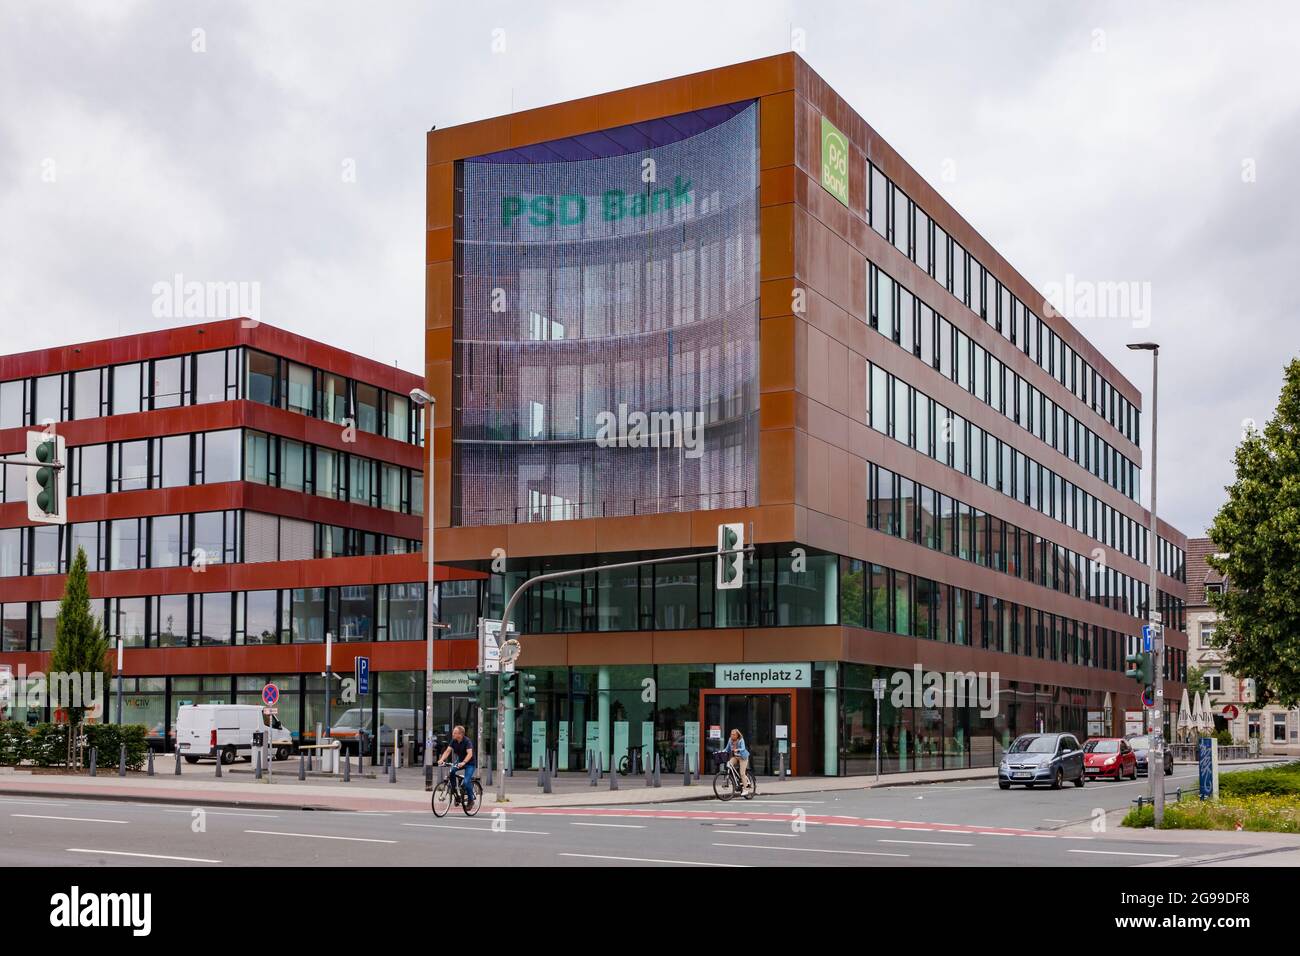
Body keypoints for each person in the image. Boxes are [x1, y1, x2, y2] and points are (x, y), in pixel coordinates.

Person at [437, 725, 476, 808]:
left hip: (469, 763)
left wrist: (464, 762)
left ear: (460, 734)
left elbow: (470, 754)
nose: (453, 734)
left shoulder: (467, 741)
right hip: (460, 761)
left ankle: (470, 800)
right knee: (452, 771)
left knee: (466, 782)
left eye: (455, 733)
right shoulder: (453, 741)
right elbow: (447, 751)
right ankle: (456, 792)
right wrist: (442, 759)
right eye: (453, 732)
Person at [721, 728, 751, 794]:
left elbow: (743, 748)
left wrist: (737, 749)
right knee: (729, 764)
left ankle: (746, 789)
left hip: (743, 758)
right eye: (731, 734)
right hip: (736, 757)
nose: (732, 736)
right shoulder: (730, 740)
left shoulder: (741, 740)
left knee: (742, 773)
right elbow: (727, 749)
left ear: (737, 735)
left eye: (734, 734)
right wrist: (721, 752)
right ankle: (729, 780)